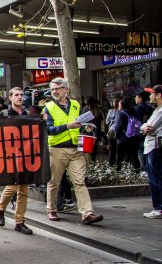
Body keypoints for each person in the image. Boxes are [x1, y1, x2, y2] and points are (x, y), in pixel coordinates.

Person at [43, 77, 102, 225]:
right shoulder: (48, 107)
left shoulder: (75, 104)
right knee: (54, 182)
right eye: (53, 89)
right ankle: (51, 209)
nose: (55, 92)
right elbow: (48, 130)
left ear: (66, 90)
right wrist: (67, 127)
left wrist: (84, 127)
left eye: (58, 88)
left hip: (76, 149)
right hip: (57, 149)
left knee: (80, 182)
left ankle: (87, 213)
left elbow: (78, 123)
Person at [0, 87, 33, 235]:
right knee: (13, 186)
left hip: (25, 155)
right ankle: (0, 208)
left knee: (23, 189)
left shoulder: (28, 114)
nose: (19, 97)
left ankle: (20, 221)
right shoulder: (3, 114)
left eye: (21, 95)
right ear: (10, 98)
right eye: (16, 95)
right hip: (10, 155)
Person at [140, 85, 162, 219]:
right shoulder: (157, 110)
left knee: (155, 179)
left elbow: (149, 126)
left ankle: (159, 208)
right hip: (152, 146)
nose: (150, 96)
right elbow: (145, 126)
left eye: (152, 94)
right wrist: (143, 127)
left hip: (155, 147)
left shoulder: (160, 111)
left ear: (159, 95)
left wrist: (143, 128)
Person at [113, 98, 142, 171]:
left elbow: (117, 126)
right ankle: (136, 171)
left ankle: (118, 171)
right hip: (134, 137)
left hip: (123, 139)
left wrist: (116, 136)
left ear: (122, 105)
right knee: (133, 155)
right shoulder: (133, 112)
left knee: (119, 157)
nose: (118, 106)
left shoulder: (120, 113)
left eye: (119, 104)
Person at [106, 97, 122, 166]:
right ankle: (119, 166)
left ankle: (111, 165)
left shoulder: (110, 111)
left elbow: (107, 122)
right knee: (119, 151)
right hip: (119, 132)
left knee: (112, 150)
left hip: (111, 132)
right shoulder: (121, 112)